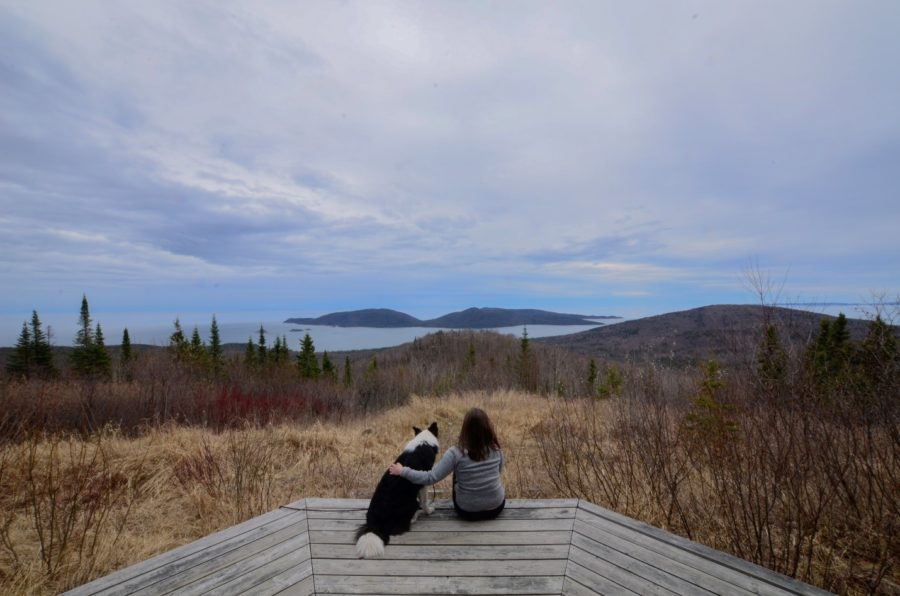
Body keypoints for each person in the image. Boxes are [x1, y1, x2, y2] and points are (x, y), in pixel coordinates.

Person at [388, 407, 505, 521]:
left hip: (467, 512)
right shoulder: (496, 449)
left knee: (456, 473)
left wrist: (402, 471)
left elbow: (430, 477)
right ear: (487, 428)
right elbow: (497, 473)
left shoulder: (456, 452)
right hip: (496, 508)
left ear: (465, 429)